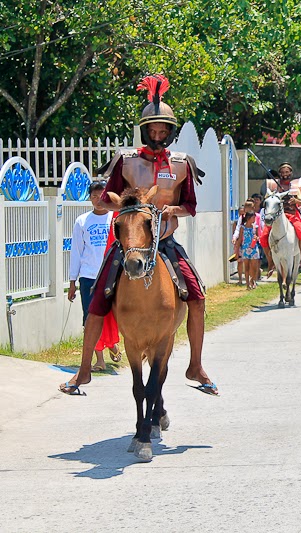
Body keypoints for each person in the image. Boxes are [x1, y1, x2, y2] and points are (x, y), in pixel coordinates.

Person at [59, 74, 217, 396]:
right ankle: (84, 370)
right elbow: (108, 197)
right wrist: (112, 203)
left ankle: (196, 365)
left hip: (166, 242)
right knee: (98, 297)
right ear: (145, 130)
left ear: (171, 133)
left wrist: (175, 211)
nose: (158, 136)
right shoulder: (126, 160)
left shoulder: (182, 164)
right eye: (153, 130)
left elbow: (190, 205)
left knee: (198, 295)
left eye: (164, 131)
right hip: (130, 242)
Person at [67, 180, 122, 371]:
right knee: (91, 317)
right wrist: (73, 281)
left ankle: (113, 344)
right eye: (94, 196)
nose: (99, 200)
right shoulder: (82, 221)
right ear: (89, 198)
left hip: (112, 274)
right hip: (89, 276)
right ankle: (99, 359)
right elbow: (76, 252)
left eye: (102, 195)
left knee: (114, 314)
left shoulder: (115, 219)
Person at [263, 162, 301, 273]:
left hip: (292, 215)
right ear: (279, 173)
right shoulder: (273, 185)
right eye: (283, 172)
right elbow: (267, 199)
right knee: (263, 235)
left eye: (287, 172)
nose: (285, 174)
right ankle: (270, 262)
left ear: (291, 173)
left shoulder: (294, 187)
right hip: (276, 217)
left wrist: (296, 201)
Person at [237, 211, 261, 289]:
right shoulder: (242, 228)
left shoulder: (255, 227)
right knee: (246, 267)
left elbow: (258, 236)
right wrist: (237, 250)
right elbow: (240, 239)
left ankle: (253, 280)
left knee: (254, 267)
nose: (255, 219)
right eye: (253, 217)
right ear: (249, 218)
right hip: (245, 248)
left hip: (254, 248)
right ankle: (247, 284)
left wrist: (257, 238)